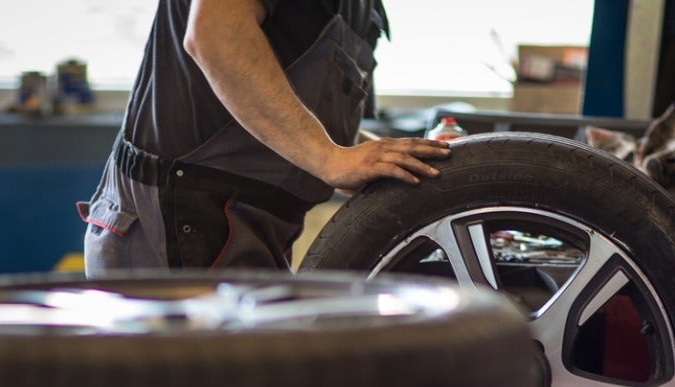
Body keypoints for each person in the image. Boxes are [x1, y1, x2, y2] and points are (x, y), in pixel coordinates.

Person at [77, 0, 451, 275]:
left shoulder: (361, 9)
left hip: (252, 226)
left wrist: (401, 162)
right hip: (176, 217)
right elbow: (215, 34)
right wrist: (330, 158)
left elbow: (323, 133)